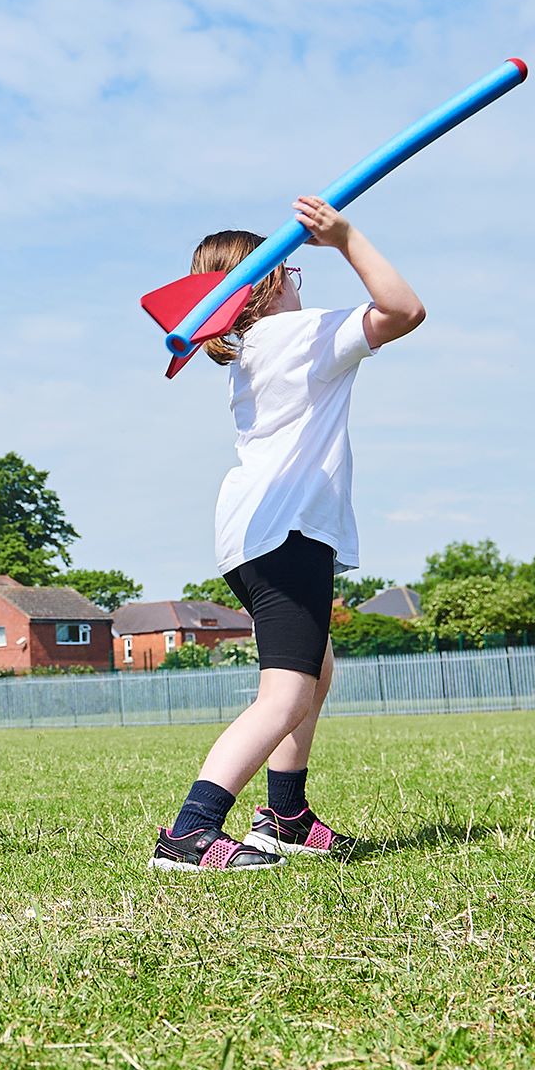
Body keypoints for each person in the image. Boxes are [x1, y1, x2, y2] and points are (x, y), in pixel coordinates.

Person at [151, 198, 425, 873]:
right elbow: (403, 310)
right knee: (286, 693)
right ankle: (190, 831)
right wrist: (346, 237)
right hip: (286, 529)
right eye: (293, 269)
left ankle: (286, 816)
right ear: (269, 282)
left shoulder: (254, 348)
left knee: (314, 670)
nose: (303, 280)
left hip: (255, 531)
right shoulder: (294, 335)